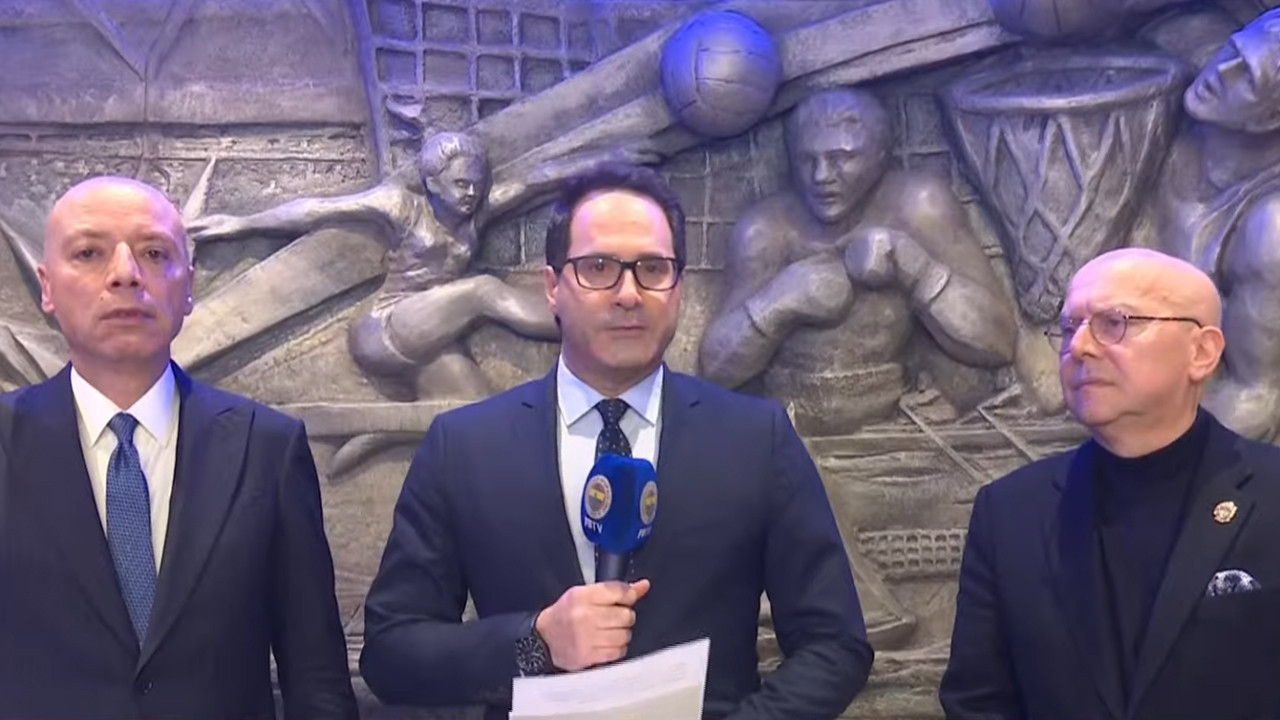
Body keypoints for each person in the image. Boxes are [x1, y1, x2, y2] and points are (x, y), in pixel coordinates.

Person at [359, 163, 873, 720]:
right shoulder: (464, 447)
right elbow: (391, 653)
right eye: (598, 268)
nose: (629, 293)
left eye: (653, 269)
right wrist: (534, 641)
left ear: (678, 288)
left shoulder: (756, 439)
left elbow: (834, 644)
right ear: (552, 287)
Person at [0, 176, 358, 719]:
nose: (125, 274)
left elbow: (317, 682)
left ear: (187, 286)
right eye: (90, 253)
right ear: (46, 286)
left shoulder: (265, 448)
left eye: (153, 253)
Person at [940, 247, 1280, 720]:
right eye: (1069, 327)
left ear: (1201, 352)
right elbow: (978, 703)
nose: (1079, 347)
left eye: (1113, 322)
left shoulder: (1271, 494)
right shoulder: (1010, 512)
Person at [1133, 7, 1280, 442]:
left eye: (1246, 77)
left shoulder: (1270, 230)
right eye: (1232, 51)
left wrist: (1147, 459)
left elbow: (1253, 397)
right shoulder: (1179, 63)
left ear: (1272, 118)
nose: (1221, 72)